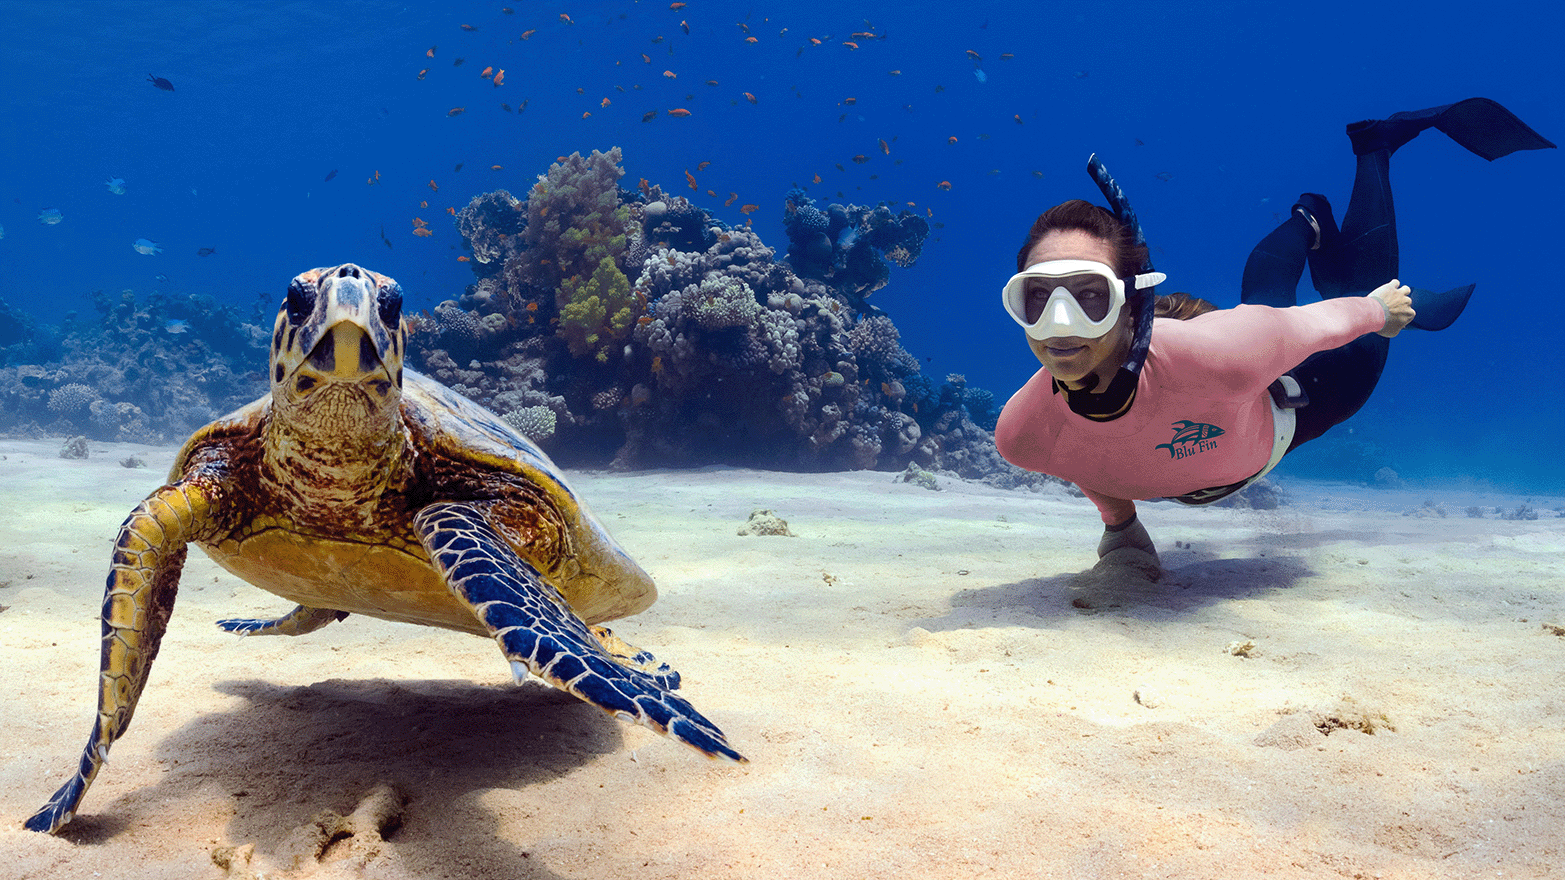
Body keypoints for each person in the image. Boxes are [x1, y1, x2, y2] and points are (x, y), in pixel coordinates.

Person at [993, 98, 1555, 565]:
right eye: (1036, 298)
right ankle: (1306, 222)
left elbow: (1303, 324)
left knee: (1313, 324)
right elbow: (1077, 453)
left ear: (1130, 302)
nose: (1059, 325)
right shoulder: (1024, 432)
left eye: (1091, 296)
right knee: (1258, 307)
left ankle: (1373, 150)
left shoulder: (1225, 356)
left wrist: (1379, 308)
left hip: (1290, 404)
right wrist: (1121, 529)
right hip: (1236, 358)